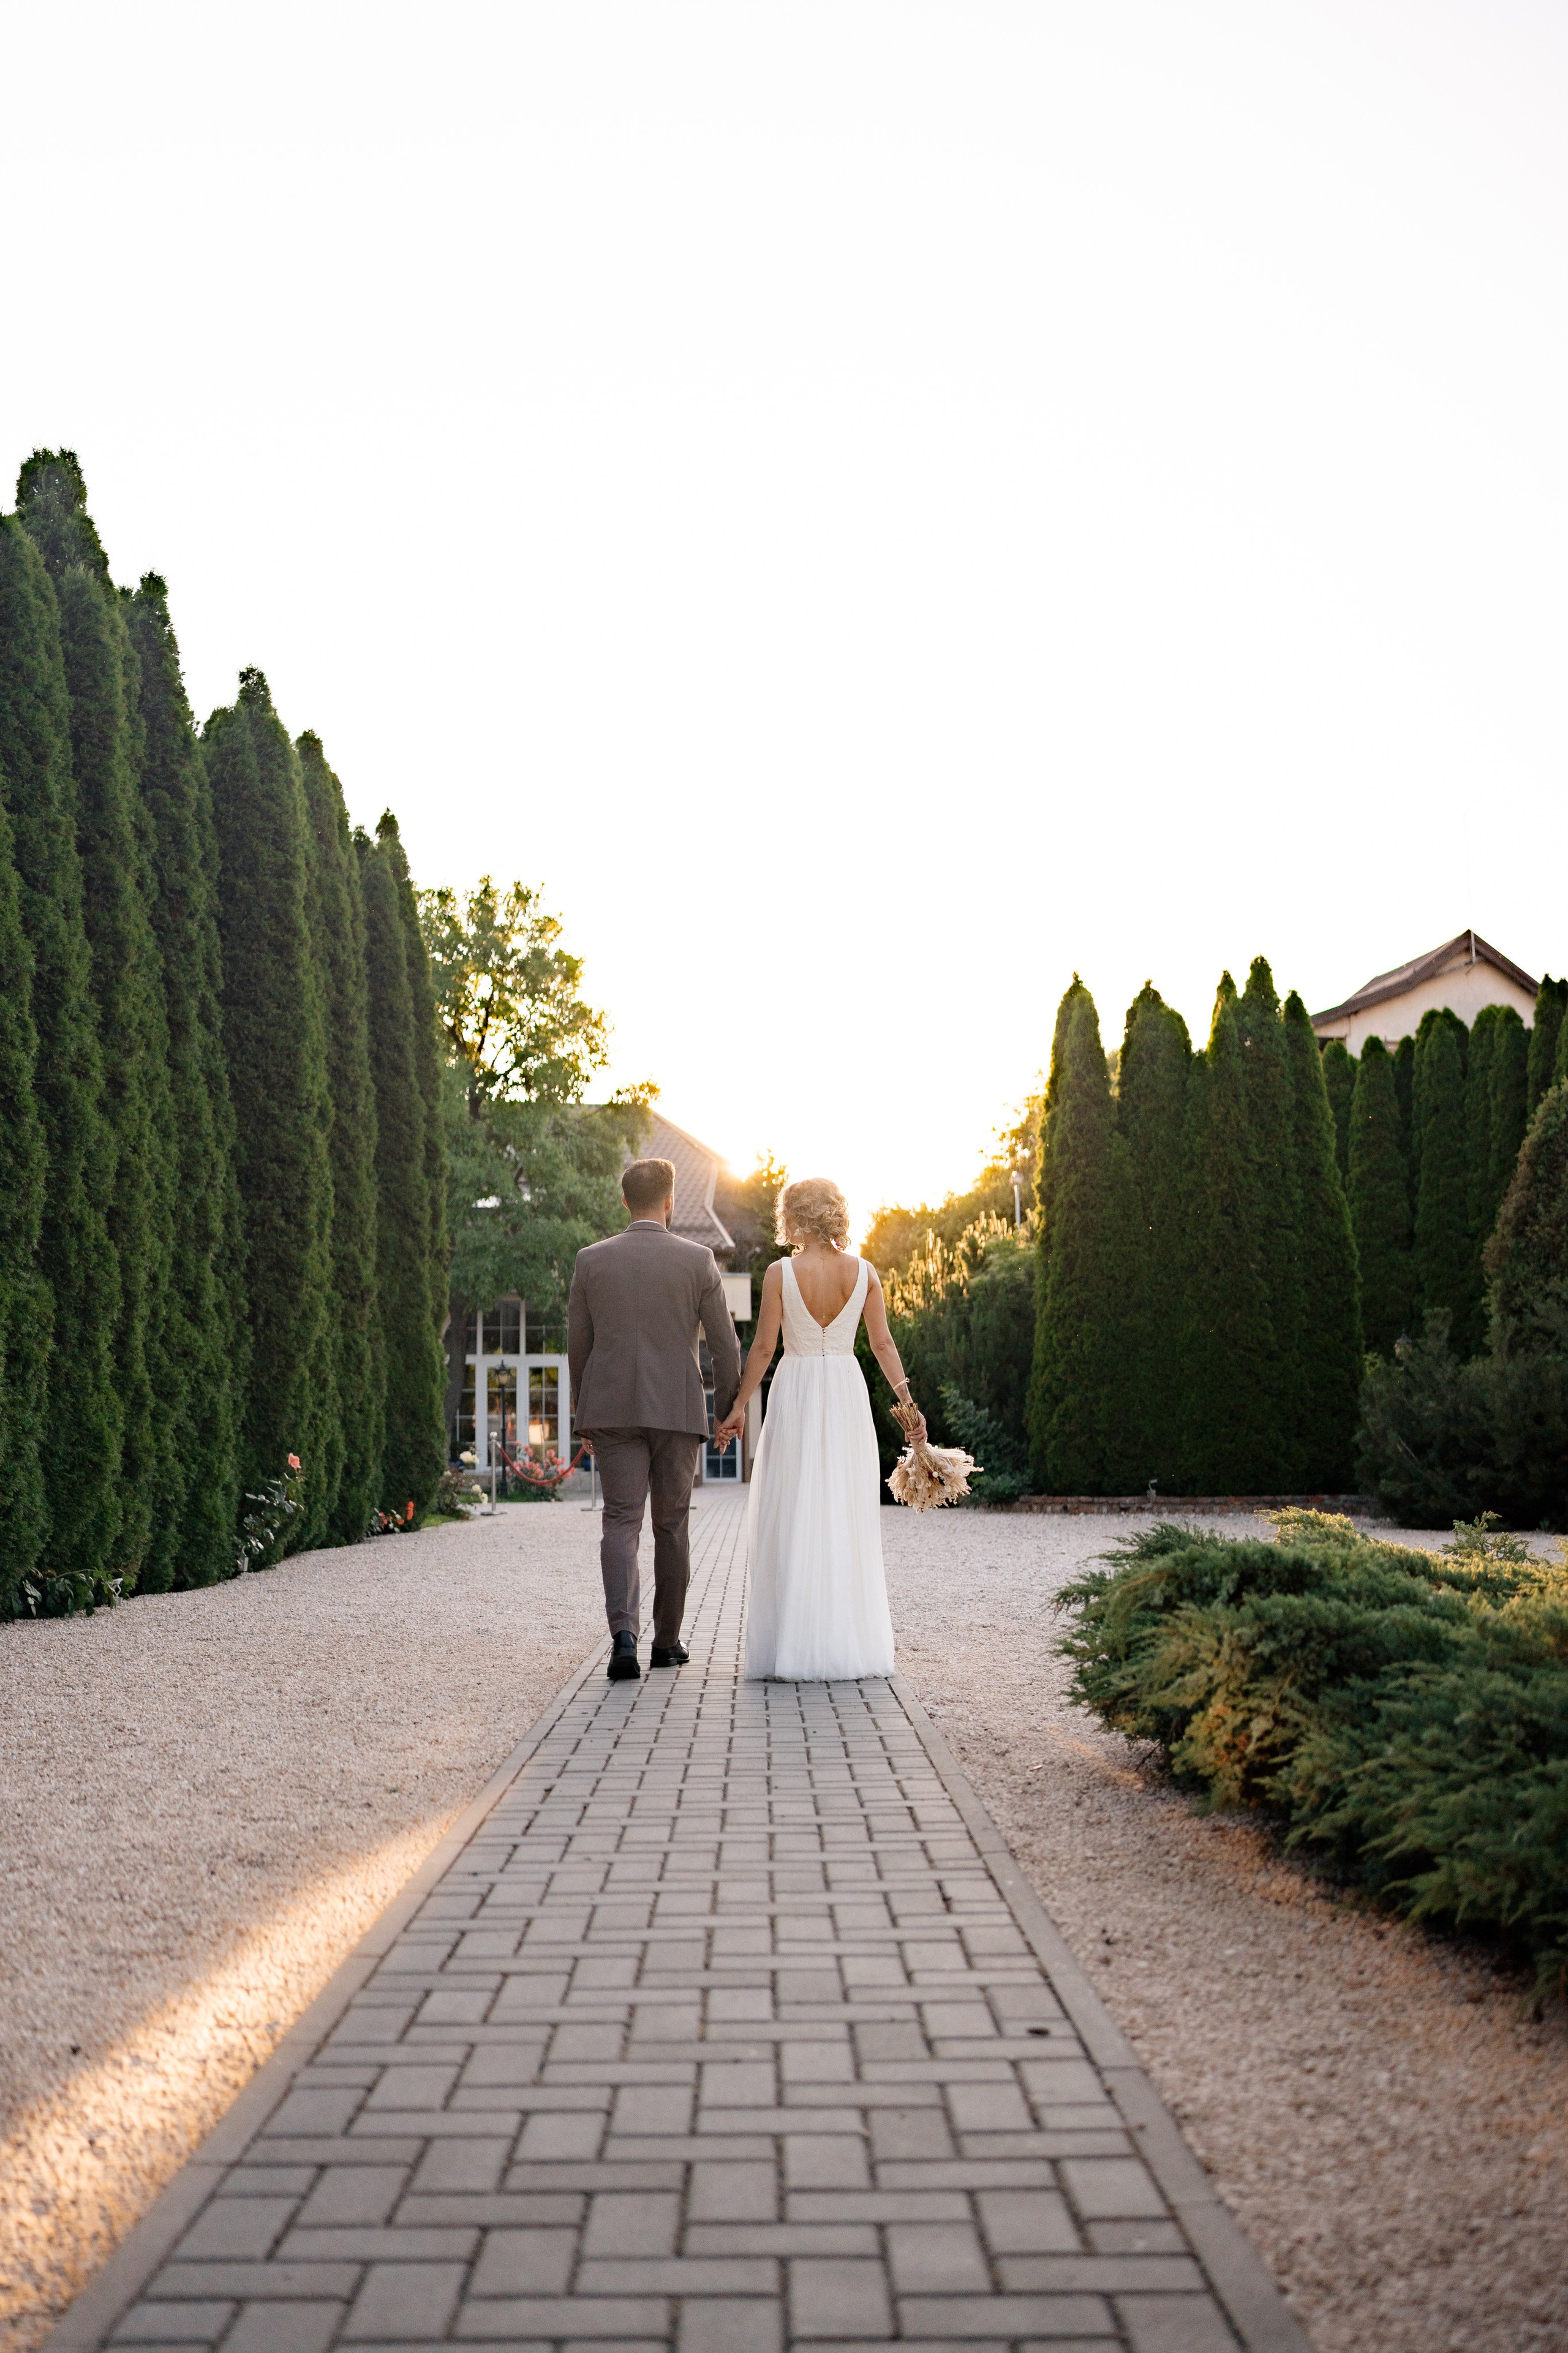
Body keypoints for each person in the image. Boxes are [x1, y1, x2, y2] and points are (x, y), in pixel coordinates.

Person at [714, 1175, 925, 1681]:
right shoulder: (866, 1271)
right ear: (835, 1213)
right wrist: (909, 1405)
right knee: (843, 1510)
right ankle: (846, 1644)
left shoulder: (779, 1272)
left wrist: (738, 1406)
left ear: (794, 1215)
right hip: (845, 1392)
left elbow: (764, 1350)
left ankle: (795, 1643)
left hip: (797, 1390)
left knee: (793, 1508)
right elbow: (883, 1346)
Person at [568, 1157, 742, 1682]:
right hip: (677, 1410)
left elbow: (580, 1345)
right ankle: (666, 1642)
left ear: (625, 1201)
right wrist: (728, 1409)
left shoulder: (590, 1261)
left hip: (614, 1411)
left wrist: (586, 1414)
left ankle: (624, 1635)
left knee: (621, 1521)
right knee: (672, 1525)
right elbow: (725, 1345)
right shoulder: (698, 1260)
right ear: (671, 1201)